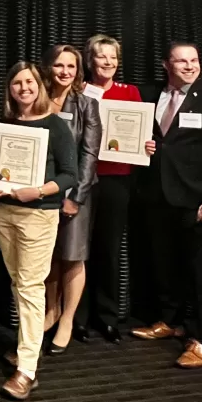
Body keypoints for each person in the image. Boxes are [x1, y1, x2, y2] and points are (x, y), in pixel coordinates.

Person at [130, 41, 202, 369]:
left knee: (200, 272)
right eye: (181, 61)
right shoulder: (148, 96)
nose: (189, 66)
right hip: (156, 196)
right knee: (163, 265)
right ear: (166, 64)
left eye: (194, 60)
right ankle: (170, 321)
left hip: (197, 202)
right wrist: (142, 146)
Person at [0, 61, 77, 400]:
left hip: (38, 215)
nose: (24, 88)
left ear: (40, 86)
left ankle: (27, 371)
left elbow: (69, 176)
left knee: (31, 287)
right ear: (10, 89)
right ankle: (25, 349)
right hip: (2, 212)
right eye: (17, 83)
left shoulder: (56, 125)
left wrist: (38, 191)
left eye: (29, 82)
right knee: (20, 284)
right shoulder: (4, 125)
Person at [74, 34, 154, 343]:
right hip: (83, 179)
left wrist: (145, 145)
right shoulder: (77, 91)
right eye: (101, 56)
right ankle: (77, 318)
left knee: (108, 249)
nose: (108, 62)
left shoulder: (130, 92)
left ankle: (106, 317)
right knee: (78, 250)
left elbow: (142, 134)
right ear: (90, 60)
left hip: (117, 179)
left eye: (113, 57)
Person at [38, 45, 101, 353]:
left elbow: (89, 154)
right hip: (40, 192)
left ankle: (67, 321)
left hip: (76, 192)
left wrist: (76, 196)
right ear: (48, 67)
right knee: (47, 255)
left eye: (71, 67)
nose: (65, 72)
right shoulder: (35, 99)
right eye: (59, 65)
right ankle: (51, 310)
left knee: (73, 256)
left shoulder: (87, 104)